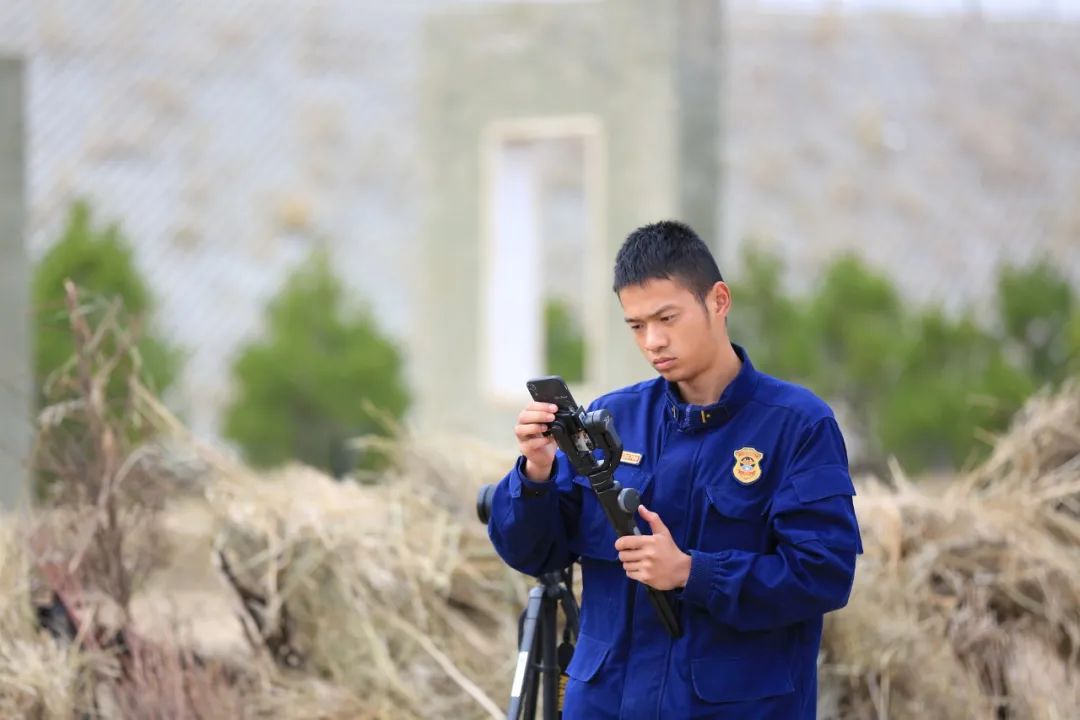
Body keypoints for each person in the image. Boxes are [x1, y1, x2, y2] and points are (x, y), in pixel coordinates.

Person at [486, 221, 863, 719]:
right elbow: (534, 552)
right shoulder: (611, 418)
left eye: (667, 317)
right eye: (636, 325)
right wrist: (535, 474)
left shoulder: (797, 426)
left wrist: (693, 572)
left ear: (718, 301)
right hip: (606, 706)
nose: (653, 341)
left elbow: (824, 575)